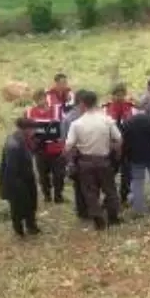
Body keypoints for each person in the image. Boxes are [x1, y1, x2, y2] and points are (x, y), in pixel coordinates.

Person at [65, 90, 124, 230]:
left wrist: (71, 160)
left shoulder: (77, 124)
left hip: (85, 161)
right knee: (109, 189)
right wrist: (114, 151)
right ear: (96, 102)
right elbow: (119, 139)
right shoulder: (107, 120)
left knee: (90, 191)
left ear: (82, 104)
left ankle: (97, 217)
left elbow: (68, 146)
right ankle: (113, 217)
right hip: (104, 159)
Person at [0, 118, 42, 238]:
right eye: (33, 129)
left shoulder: (22, 139)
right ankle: (19, 229)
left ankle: (31, 226)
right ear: (27, 130)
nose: (34, 132)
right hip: (18, 181)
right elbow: (11, 169)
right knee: (19, 206)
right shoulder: (14, 145)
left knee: (31, 204)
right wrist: (13, 187)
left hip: (26, 177)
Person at [26, 90, 66, 204]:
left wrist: (65, 142)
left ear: (46, 98)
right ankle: (47, 195)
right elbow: (27, 130)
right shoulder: (30, 112)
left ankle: (58, 196)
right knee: (43, 176)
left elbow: (65, 124)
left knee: (59, 174)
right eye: (38, 99)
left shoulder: (56, 110)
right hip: (40, 150)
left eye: (42, 98)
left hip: (56, 148)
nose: (41, 101)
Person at [104, 83, 138, 206]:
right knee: (110, 173)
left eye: (121, 95)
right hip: (111, 146)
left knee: (127, 173)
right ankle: (109, 197)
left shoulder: (131, 108)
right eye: (116, 95)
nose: (119, 97)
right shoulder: (105, 108)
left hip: (127, 145)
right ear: (112, 95)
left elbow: (136, 125)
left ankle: (124, 196)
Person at [62, 89, 90, 220]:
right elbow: (65, 141)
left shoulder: (67, 118)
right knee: (83, 185)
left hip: (77, 156)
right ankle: (85, 210)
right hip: (80, 155)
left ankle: (83, 210)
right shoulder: (72, 118)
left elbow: (63, 140)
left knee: (81, 185)